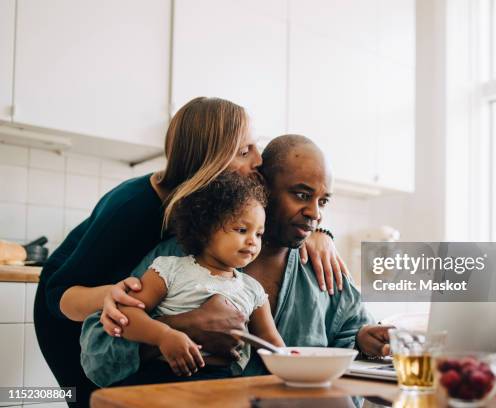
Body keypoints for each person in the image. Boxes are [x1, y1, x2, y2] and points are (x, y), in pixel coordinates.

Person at [34, 98, 346, 408]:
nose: (258, 161)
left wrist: (320, 233)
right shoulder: (133, 207)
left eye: (255, 146)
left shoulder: (212, 204)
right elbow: (59, 294)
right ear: (208, 159)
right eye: (244, 151)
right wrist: (115, 296)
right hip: (66, 313)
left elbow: (284, 212)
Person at [81, 134, 392, 385]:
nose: (315, 213)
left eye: (322, 201)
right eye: (300, 195)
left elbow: (351, 338)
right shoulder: (181, 255)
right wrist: (176, 329)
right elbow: (97, 356)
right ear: (262, 187)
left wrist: (365, 341)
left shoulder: (324, 268)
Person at [91, 172, 283, 385]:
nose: (252, 242)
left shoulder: (253, 290)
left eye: (259, 234)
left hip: (221, 383)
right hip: (159, 377)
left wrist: (297, 369)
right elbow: (126, 315)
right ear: (205, 229)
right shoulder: (169, 269)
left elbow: (270, 341)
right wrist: (163, 336)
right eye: (242, 230)